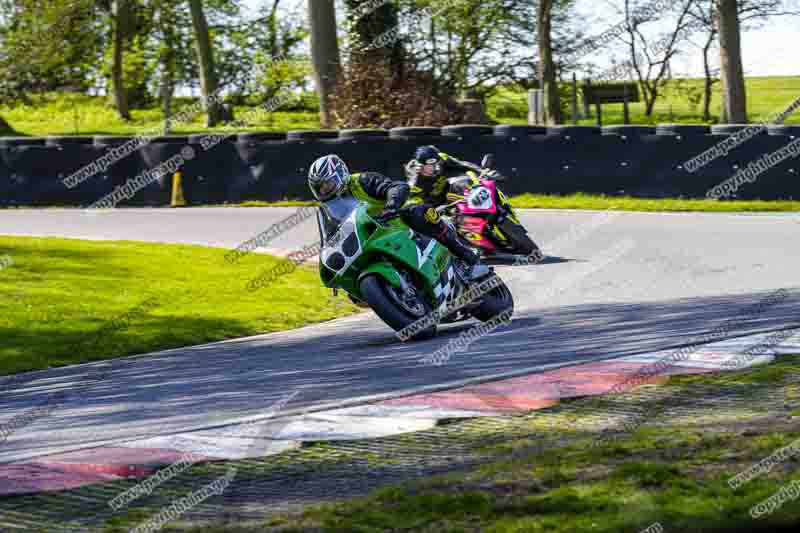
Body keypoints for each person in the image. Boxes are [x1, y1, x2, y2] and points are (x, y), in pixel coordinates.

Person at [308, 154, 489, 281]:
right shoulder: (327, 209)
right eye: (319, 188)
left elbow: (397, 187)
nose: (324, 190)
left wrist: (391, 207)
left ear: (340, 175)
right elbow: (329, 237)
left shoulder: (361, 181)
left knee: (419, 214)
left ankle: (469, 258)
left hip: (395, 219)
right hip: (368, 237)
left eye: (327, 184)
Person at [404, 145, 500, 206]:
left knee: (461, 181)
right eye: (431, 164)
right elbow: (408, 203)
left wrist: (483, 171)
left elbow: (463, 164)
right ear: (421, 166)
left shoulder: (442, 158)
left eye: (437, 162)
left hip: (451, 193)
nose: (436, 167)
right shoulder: (414, 182)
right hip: (437, 207)